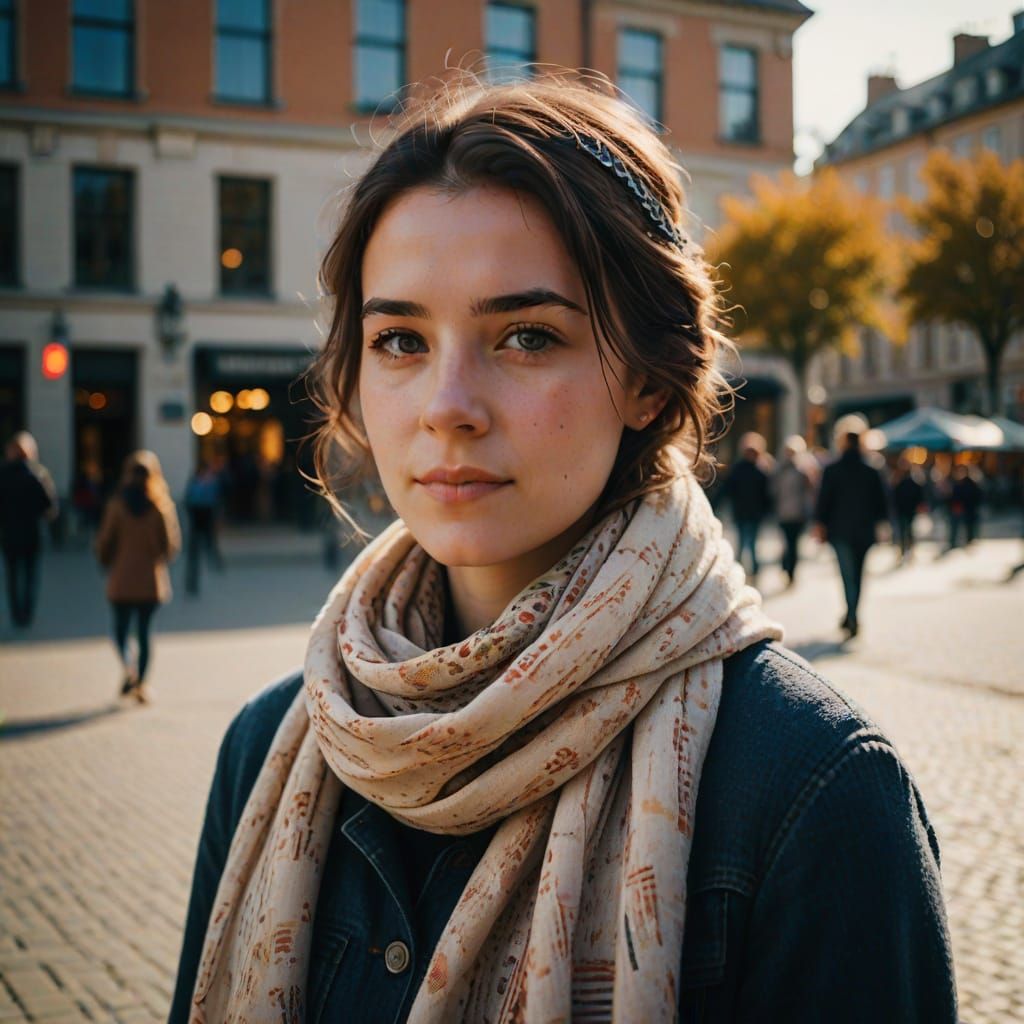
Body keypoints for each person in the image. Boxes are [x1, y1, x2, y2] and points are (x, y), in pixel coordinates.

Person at [171, 78, 956, 1023]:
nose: (446, 406)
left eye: (527, 335)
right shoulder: (270, 746)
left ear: (654, 388)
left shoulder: (811, 788)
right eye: (400, 340)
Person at [94, 450, 181, 703]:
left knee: (120, 632)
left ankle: (129, 668)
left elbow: (105, 542)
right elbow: (170, 547)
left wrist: (105, 560)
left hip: (121, 580)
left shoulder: (116, 505)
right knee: (144, 634)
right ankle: (141, 683)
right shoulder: (161, 507)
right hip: (150, 582)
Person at [813, 415, 891, 638]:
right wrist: (883, 525)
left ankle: (852, 616)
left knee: (847, 575)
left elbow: (823, 502)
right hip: (865, 531)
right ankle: (852, 614)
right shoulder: (872, 468)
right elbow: (882, 502)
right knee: (858, 575)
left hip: (840, 531)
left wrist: (820, 525)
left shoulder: (832, 469)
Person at [0, 431, 58, 628]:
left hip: (8, 533)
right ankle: (27, 613)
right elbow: (49, 506)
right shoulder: (37, 474)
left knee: (12, 575)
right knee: (30, 575)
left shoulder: (3, 475)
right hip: (31, 533)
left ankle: (16, 613)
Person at [718, 431, 772, 578]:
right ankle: (741, 571)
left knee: (752, 543)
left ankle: (752, 571)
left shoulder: (760, 470)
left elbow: (767, 494)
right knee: (743, 542)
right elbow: (728, 489)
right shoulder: (740, 469)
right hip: (743, 512)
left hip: (752, 513)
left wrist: (766, 510)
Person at [771, 434, 816, 586]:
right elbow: (773, 491)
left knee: (793, 544)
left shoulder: (802, 471)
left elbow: (810, 492)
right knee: (788, 543)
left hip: (797, 513)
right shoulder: (779, 470)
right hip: (784, 513)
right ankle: (787, 568)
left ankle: (790, 571)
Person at [183, 460, 224, 596]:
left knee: (211, 544)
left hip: (206, 519)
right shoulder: (196, 483)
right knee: (194, 554)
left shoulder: (212, 483)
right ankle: (191, 582)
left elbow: (216, 500)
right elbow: (189, 500)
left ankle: (217, 563)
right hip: (197, 519)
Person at [891, 456, 926, 563]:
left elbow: (918, 494)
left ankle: (909, 551)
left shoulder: (911, 480)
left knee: (908, 531)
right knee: (903, 531)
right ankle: (903, 551)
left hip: (908, 509)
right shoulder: (898, 480)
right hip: (902, 509)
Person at [947, 463, 984, 550]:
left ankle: (968, 540)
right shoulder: (956, 483)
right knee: (955, 526)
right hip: (958, 509)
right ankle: (954, 542)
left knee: (968, 526)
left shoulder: (971, 484)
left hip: (968, 509)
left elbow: (977, 496)